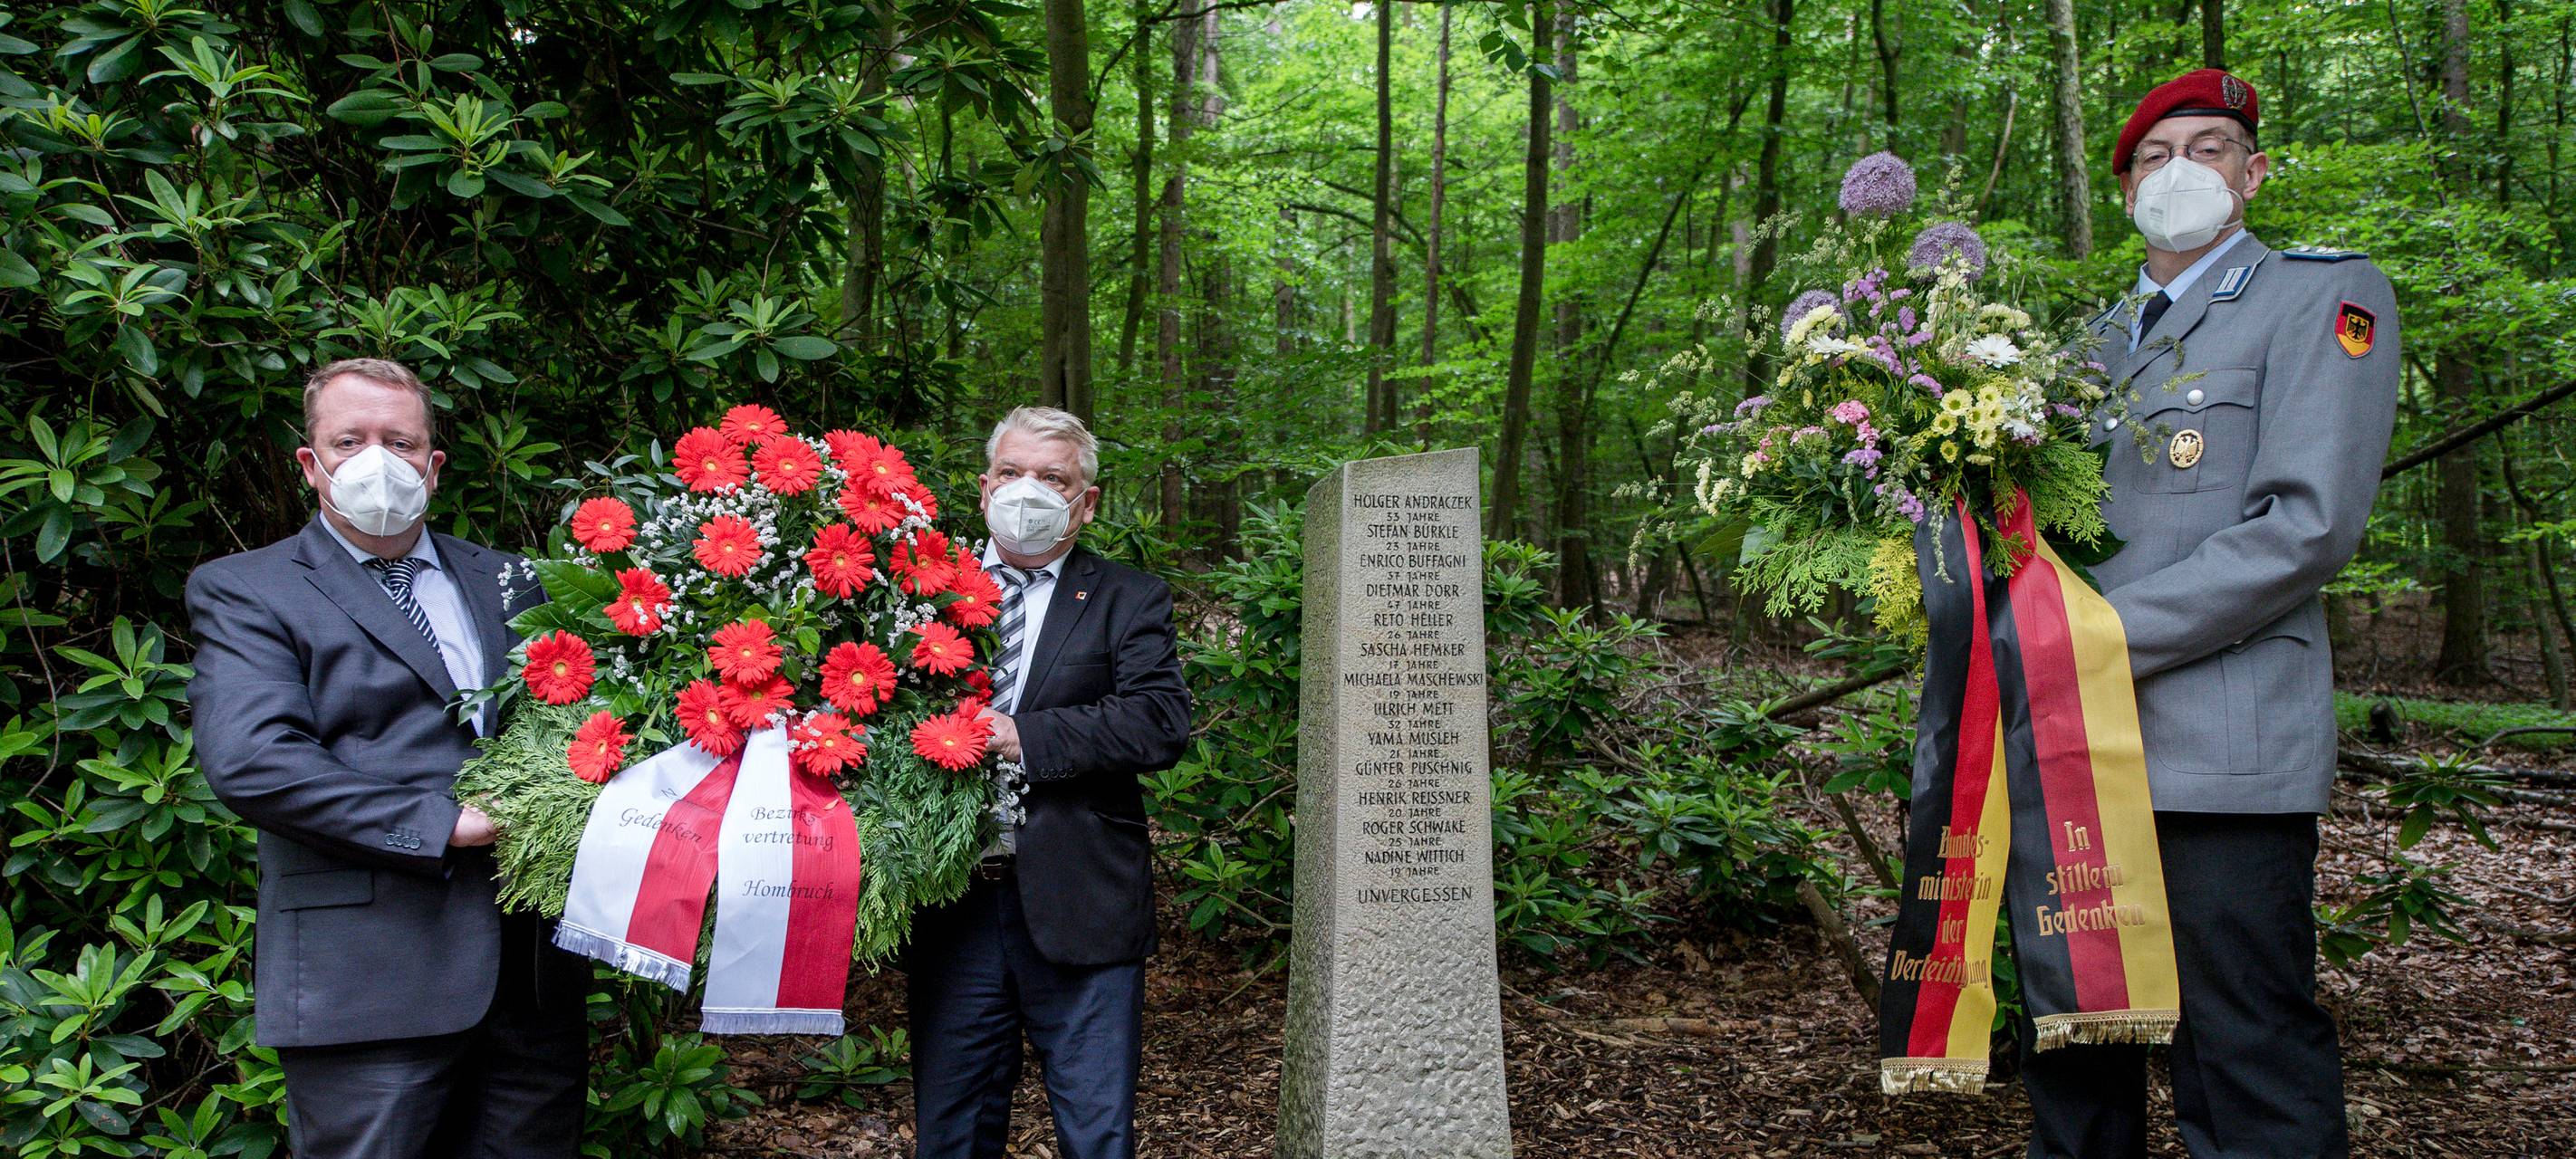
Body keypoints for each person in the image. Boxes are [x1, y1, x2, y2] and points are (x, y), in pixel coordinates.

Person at [2034, 70, 2401, 1158]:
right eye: (2155, 155)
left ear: (2253, 171)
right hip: (2064, 752)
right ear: (2126, 186)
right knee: (2077, 1051)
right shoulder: (2078, 348)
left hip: (2221, 752)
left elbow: (2306, 527)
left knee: (2244, 1057)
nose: (2179, 170)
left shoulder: (2321, 298)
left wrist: (2090, 636)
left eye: (2208, 147)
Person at [187, 359, 587, 1158]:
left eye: (400, 441)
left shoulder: (513, 580)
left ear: (433, 464)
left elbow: (575, 725)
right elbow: (254, 759)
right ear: (312, 463)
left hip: (531, 979)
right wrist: (446, 824)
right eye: (350, 439)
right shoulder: (248, 589)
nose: (379, 459)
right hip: (368, 977)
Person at [907, 407, 1192, 1159]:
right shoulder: (915, 593)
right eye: (1012, 473)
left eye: (1052, 478)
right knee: (952, 1133)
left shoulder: (1129, 597)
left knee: (1096, 1137)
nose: (1027, 491)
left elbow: (1158, 721)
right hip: (953, 902)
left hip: (1081, 903)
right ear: (983, 487)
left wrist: (1019, 734)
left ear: (1085, 501)